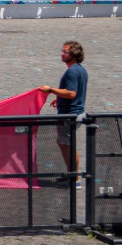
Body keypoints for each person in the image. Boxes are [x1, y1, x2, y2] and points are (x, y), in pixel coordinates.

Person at [37, 40, 87, 179]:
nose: (62, 54)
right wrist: (59, 97)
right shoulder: (80, 69)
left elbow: (71, 93)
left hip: (70, 115)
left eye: (65, 52)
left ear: (74, 54)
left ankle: (74, 177)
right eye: (62, 51)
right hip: (75, 112)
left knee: (67, 145)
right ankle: (72, 175)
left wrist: (51, 90)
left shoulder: (72, 71)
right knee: (65, 143)